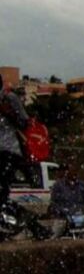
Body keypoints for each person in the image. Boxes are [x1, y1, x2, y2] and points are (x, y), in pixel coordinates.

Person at [0, 77, 30, 207]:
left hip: (8, 150)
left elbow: (24, 122)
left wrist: (7, 112)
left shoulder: (9, 97)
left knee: (2, 188)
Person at [48, 165, 84, 237]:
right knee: (55, 235)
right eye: (71, 172)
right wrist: (63, 210)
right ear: (67, 173)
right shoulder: (58, 185)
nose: (74, 174)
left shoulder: (82, 185)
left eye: (75, 172)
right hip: (63, 217)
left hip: (80, 216)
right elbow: (54, 202)